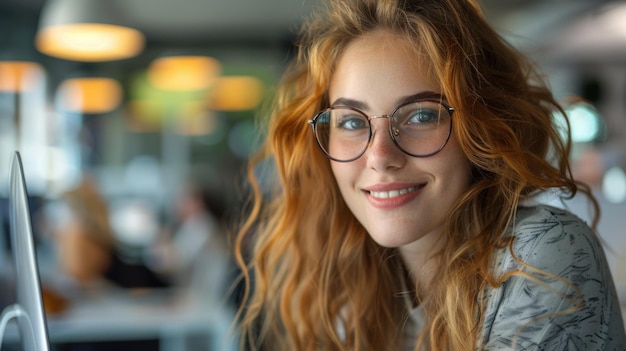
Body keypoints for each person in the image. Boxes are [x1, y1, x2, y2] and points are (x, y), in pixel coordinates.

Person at [233, 0, 626, 350]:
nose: (380, 156)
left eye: (422, 115)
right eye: (351, 122)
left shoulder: (539, 256)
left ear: (484, 127)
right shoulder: (348, 287)